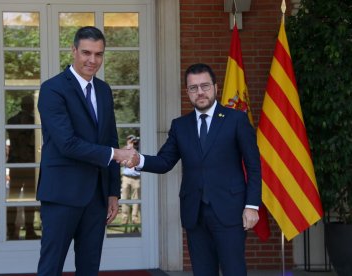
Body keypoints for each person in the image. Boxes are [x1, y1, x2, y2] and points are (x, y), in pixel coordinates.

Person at [135, 63, 262, 276]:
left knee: (234, 271)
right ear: (187, 92)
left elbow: (254, 165)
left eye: (205, 86)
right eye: (193, 88)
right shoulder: (180, 126)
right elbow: (164, 162)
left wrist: (252, 206)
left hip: (230, 211)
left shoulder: (236, 120)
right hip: (195, 213)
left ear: (216, 87)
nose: (200, 92)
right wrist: (137, 159)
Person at [36, 26, 138, 276]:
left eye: (99, 54)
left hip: (96, 196)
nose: (93, 60)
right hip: (61, 194)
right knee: (51, 266)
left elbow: (110, 138)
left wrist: (113, 192)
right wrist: (116, 154)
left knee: (90, 267)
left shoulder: (103, 91)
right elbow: (67, 143)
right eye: (86, 53)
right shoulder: (52, 89)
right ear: (73, 51)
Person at [6, 95, 39, 240]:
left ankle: (23, 229)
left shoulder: (30, 122)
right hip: (21, 163)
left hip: (25, 164)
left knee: (25, 197)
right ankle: (15, 229)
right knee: (18, 197)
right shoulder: (18, 121)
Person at [121, 135, 141, 227]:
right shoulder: (124, 149)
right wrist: (128, 148)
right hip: (126, 177)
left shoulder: (139, 149)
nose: (133, 143)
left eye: (134, 141)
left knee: (136, 199)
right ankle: (124, 219)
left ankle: (135, 218)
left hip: (136, 178)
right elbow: (120, 161)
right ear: (127, 141)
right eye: (131, 141)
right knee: (125, 198)